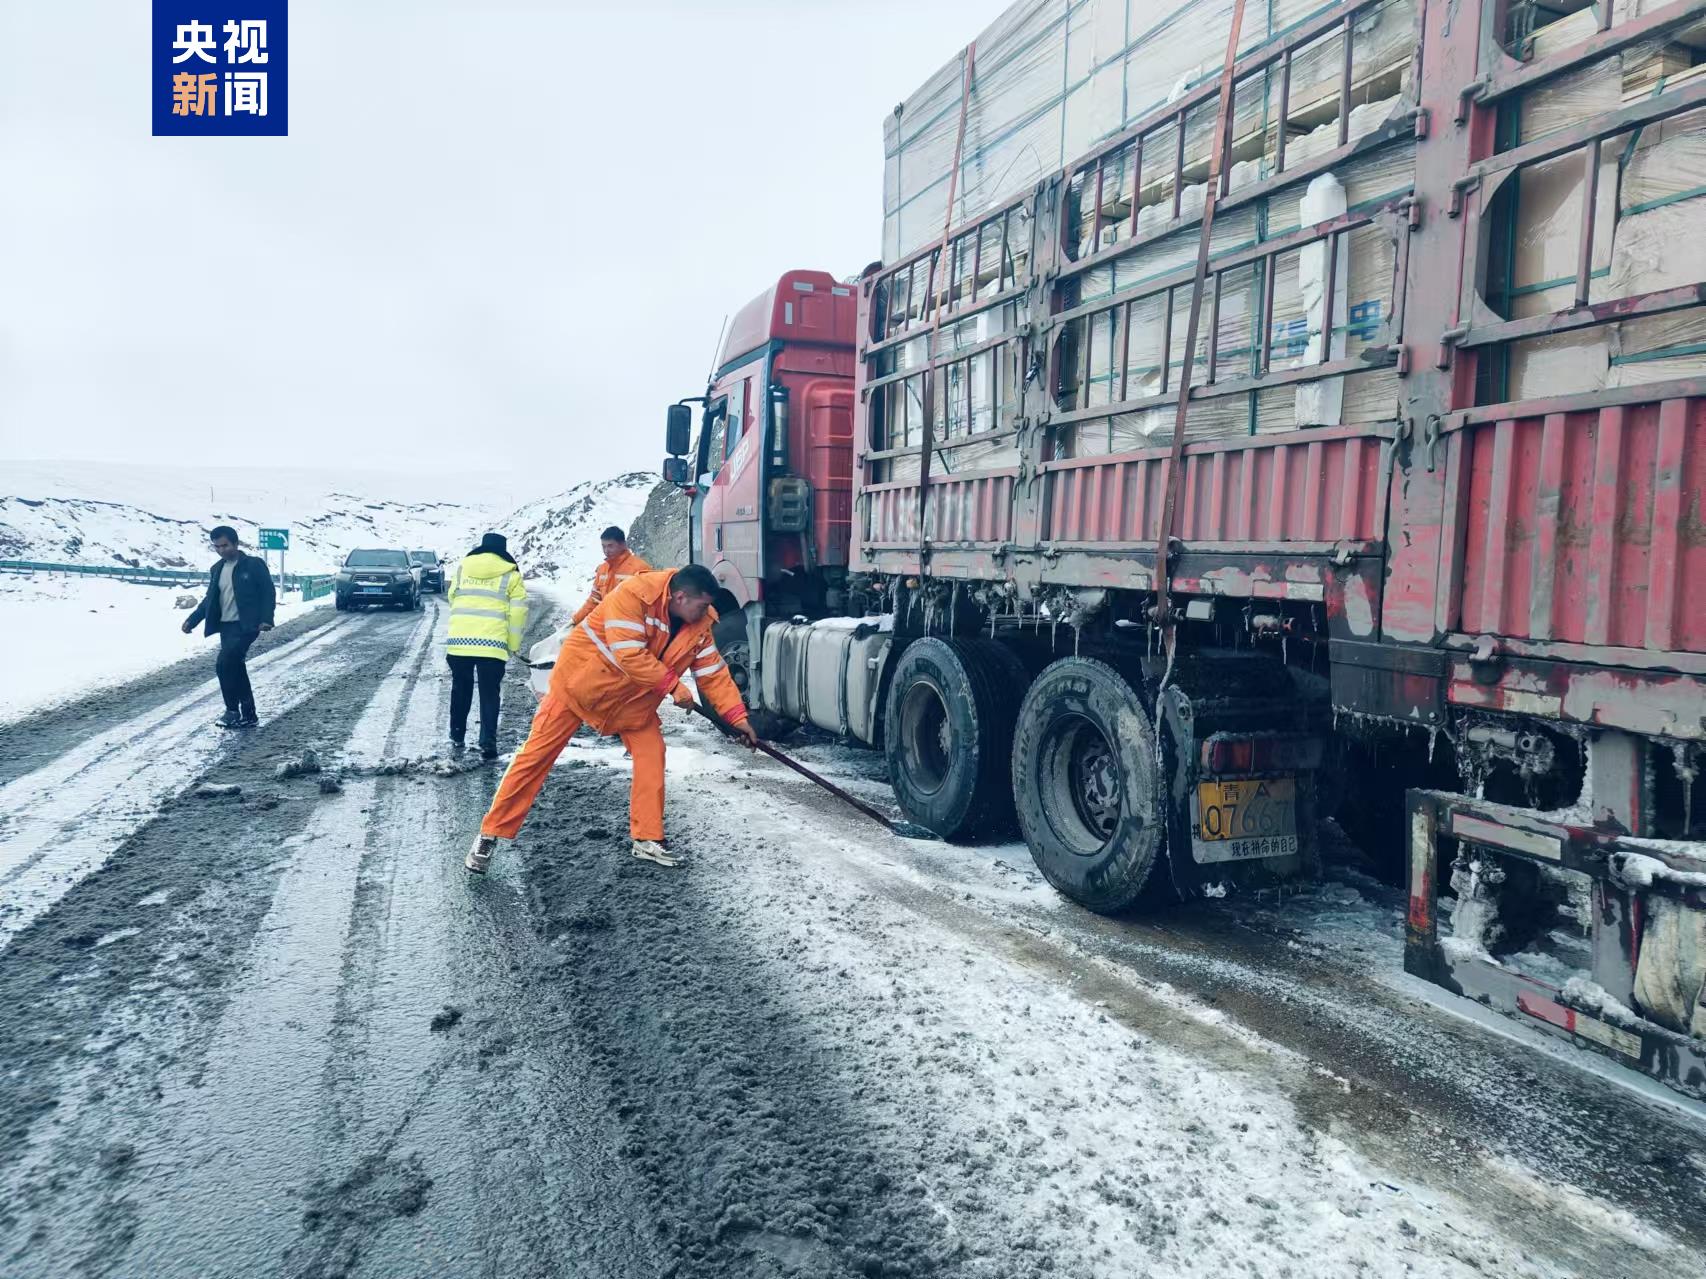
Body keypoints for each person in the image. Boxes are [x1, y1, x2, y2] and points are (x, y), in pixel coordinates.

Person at [465, 564, 756, 874]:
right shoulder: (634, 595)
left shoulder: (700, 623)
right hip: (578, 688)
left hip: (630, 703)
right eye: (702, 605)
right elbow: (628, 653)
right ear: (681, 597)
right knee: (535, 757)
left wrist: (736, 718)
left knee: (652, 752)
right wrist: (673, 687)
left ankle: (647, 838)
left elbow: (713, 675)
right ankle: (490, 833)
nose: (706, 612)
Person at [181, 525, 276, 729]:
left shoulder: (253, 565)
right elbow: (210, 600)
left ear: (236, 543)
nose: (221, 550)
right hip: (226, 627)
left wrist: (266, 618)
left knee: (223, 664)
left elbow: (268, 592)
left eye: (225, 545)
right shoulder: (217, 569)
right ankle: (249, 714)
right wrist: (193, 619)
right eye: (217, 547)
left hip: (247, 626)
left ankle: (232, 711)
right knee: (236, 666)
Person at [446, 532, 529, 760]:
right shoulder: (511, 575)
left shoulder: (462, 569)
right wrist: (513, 645)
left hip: (458, 643)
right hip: (492, 645)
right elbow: (518, 613)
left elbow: (452, 598)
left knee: (460, 689)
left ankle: (457, 735)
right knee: (489, 693)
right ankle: (487, 743)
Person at [570, 526, 651, 627]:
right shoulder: (602, 570)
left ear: (623, 545)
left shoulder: (640, 568)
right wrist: (575, 619)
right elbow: (594, 600)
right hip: (605, 625)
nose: (606, 551)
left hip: (630, 626)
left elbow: (649, 604)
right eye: (603, 546)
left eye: (610, 546)